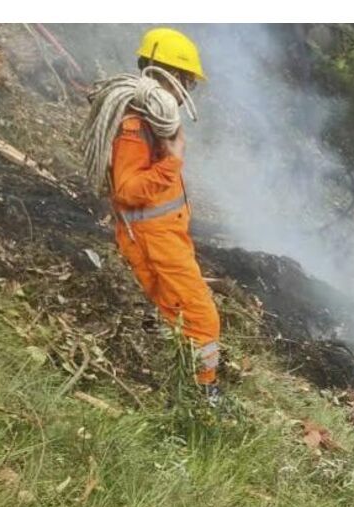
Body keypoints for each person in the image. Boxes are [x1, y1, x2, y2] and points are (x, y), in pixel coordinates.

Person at [109, 28, 222, 402]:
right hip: (153, 240)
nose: (188, 88)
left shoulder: (153, 122)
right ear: (167, 74)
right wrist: (172, 161)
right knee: (202, 317)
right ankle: (203, 393)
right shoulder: (135, 127)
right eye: (186, 79)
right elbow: (127, 191)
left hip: (165, 236)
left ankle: (181, 382)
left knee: (175, 313)